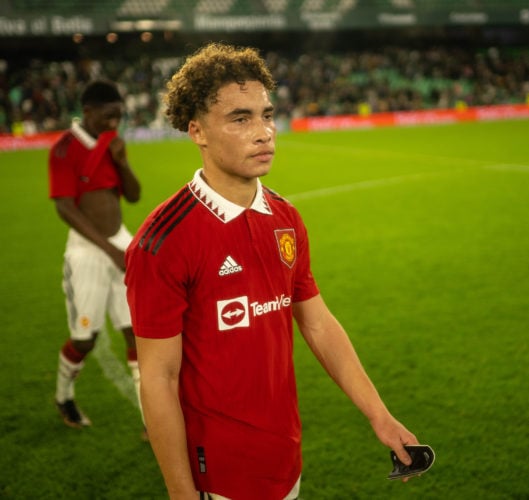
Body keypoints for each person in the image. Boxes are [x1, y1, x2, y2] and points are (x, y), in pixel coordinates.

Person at [124, 42, 420, 500]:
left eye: (266, 115)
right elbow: (158, 378)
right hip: (217, 474)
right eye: (240, 119)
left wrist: (379, 415)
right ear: (197, 131)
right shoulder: (164, 240)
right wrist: (181, 493)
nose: (264, 132)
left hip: (285, 457)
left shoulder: (286, 218)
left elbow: (318, 323)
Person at [48, 80, 143, 430]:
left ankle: (152, 417)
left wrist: (123, 162)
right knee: (85, 339)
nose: (115, 123)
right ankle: (64, 396)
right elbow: (65, 208)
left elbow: (133, 196)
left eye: (119, 116)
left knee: (136, 331)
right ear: (88, 112)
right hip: (88, 251)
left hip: (121, 242)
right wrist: (109, 250)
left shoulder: (112, 143)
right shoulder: (64, 149)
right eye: (108, 116)